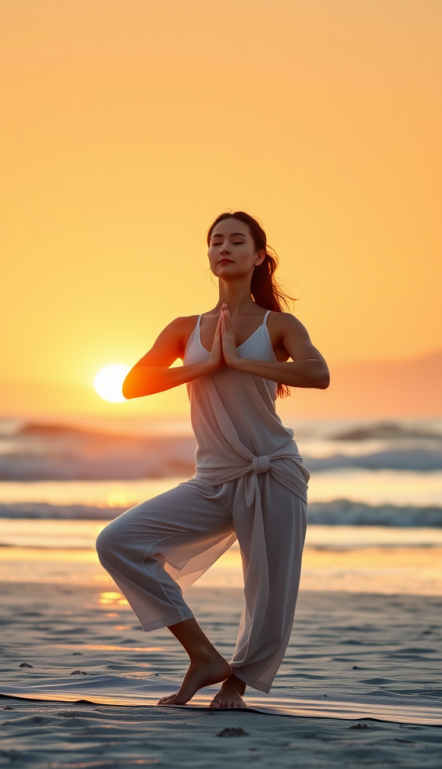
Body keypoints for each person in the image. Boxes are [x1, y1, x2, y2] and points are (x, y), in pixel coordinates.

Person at [95, 211, 330, 709]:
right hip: (213, 479)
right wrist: (199, 368)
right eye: (215, 241)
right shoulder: (186, 328)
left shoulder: (279, 325)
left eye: (236, 240)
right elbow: (131, 384)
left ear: (259, 255)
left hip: (273, 471)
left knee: (268, 594)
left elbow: (318, 372)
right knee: (119, 541)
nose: (224, 247)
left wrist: (242, 361)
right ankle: (202, 654)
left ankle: (235, 684)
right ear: (208, 256)